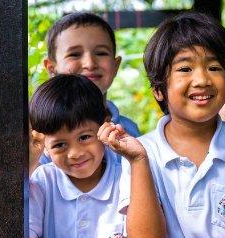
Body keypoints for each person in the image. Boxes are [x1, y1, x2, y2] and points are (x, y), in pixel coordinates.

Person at [98, 12, 225, 238]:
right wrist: (139, 161)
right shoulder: (141, 151)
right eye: (185, 68)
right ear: (158, 89)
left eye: (214, 67)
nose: (202, 79)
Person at [28, 75, 136, 238]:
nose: (75, 153)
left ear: (105, 126)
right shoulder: (43, 181)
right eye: (60, 145)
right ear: (44, 146)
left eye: (84, 137)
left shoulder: (125, 178)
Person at [30, 12, 141, 171]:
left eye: (101, 53)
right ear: (51, 67)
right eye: (75, 54)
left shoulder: (129, 130)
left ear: (116, 65)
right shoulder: (41, 134)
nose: (89, 63)